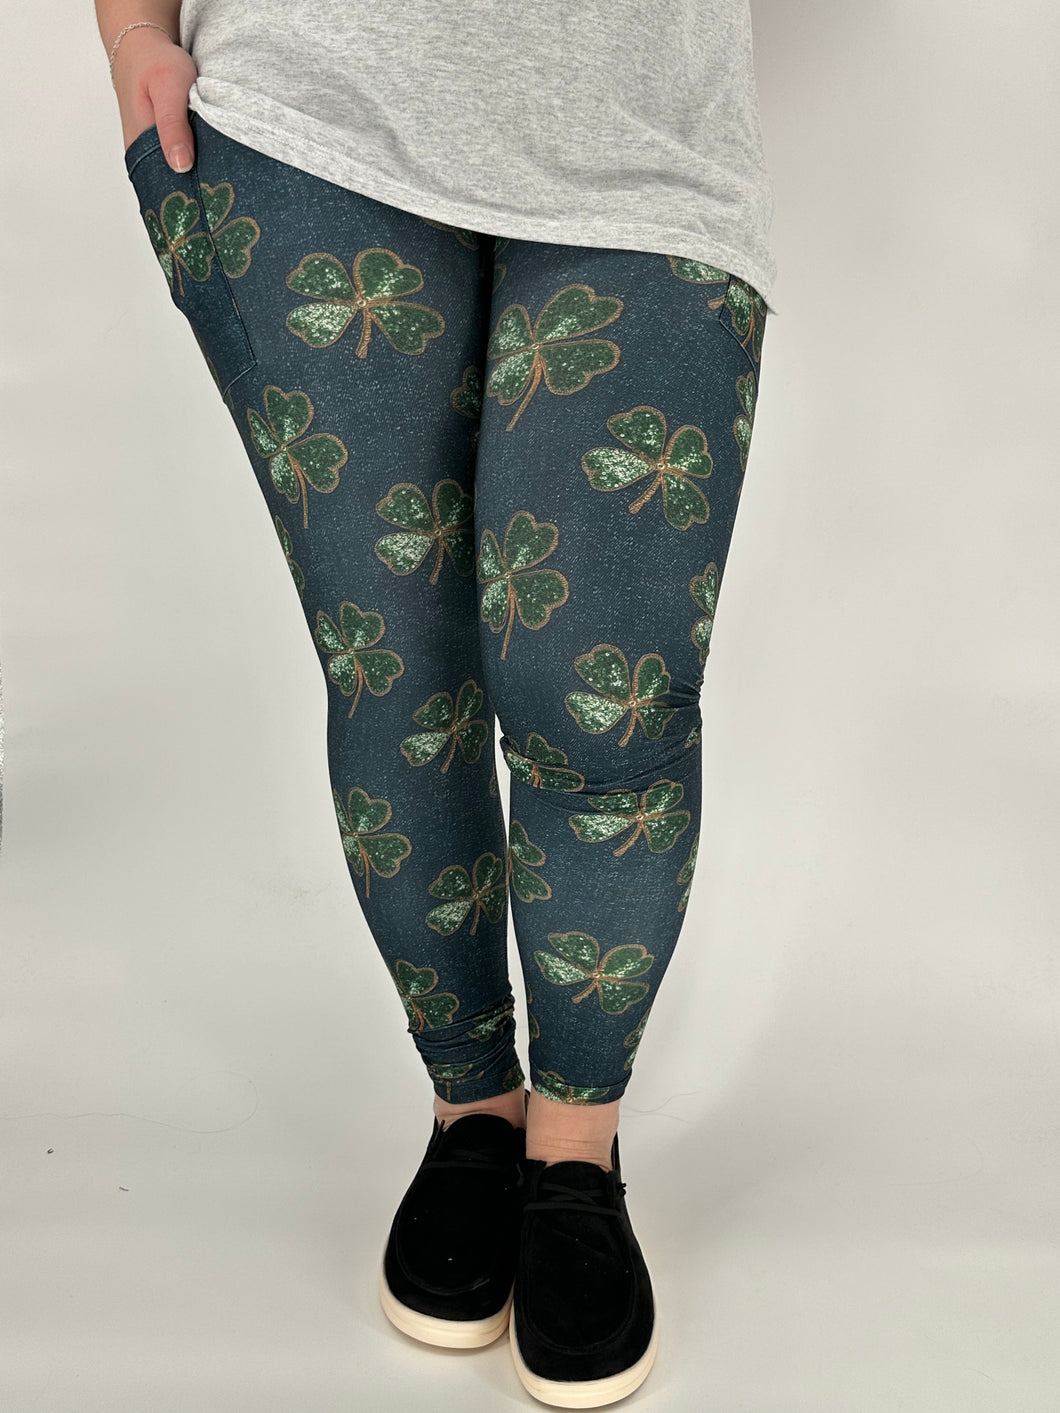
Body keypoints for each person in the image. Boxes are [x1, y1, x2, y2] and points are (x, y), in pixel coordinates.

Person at [99, 2, 777, 1405]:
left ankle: (574, 1153)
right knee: (398, 676)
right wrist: (132, 41)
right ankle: (475, 1111)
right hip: (306, 116)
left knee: (604, 704)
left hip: (641, 137)